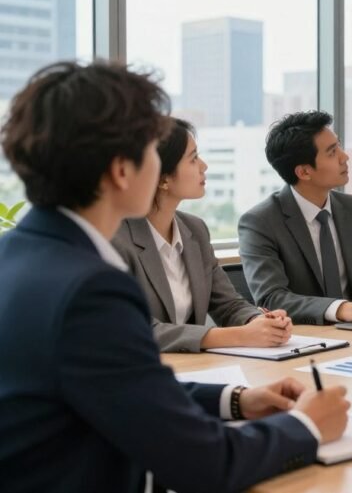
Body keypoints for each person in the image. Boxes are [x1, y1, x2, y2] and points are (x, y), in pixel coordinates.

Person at [0, 61, 350, 492]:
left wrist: (236, 399)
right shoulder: (89, 290)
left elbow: (125, 388)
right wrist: (306, 426)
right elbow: (206, 464)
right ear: (122, 170)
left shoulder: (15, 254)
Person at [112, 118, 293, 353]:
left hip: (195, 368)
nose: (204, 166)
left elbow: (228, 304)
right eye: (193, 158)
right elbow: (136, 328)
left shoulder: (194, 229)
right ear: (163, 177)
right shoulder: (116, 239)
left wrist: (258, 322)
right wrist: (238, 335)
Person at [239, 110, 352, 326]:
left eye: (339, 146)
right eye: (332, 152)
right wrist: (341, 308)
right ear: (304, 172)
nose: (344, 157)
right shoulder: (260, 222)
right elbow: (272, 298)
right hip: (304, 341)